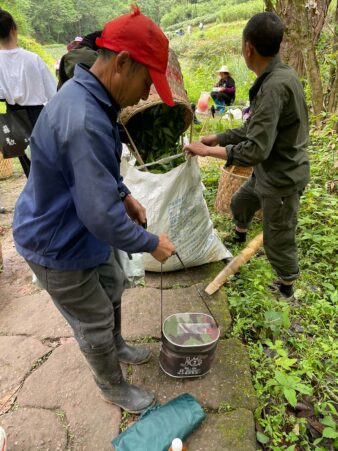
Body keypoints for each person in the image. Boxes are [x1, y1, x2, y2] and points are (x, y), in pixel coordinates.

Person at [13, 5, 176, 414]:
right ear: (122, 62)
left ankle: (117, 346)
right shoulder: (83, 117)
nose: (144, 94)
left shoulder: (92, 94)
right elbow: (101, 217)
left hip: (78, 225)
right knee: (94, 321)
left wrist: (124, 195)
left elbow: (97, 174)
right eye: (145, 81)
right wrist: (151, 243)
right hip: (55, 242)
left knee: (113, 284)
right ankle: (111, 385)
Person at [184, 12, 310, 302]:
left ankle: (286, 284)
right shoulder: (278, 76)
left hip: (282, 177)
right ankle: (240, 232)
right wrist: (218, 137)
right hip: (268, 172)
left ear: (248, 47)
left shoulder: (274, 86)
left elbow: (256, 150)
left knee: (278, 236)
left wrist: (208, 151)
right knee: (241, 202)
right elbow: (255, 128)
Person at [0, 8, 56, 177]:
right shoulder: (33, 59)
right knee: (49, 164)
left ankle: (37, 200)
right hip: (38, 115)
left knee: (29, 170)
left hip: (13, 117)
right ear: (13, 29)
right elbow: (53, 94)